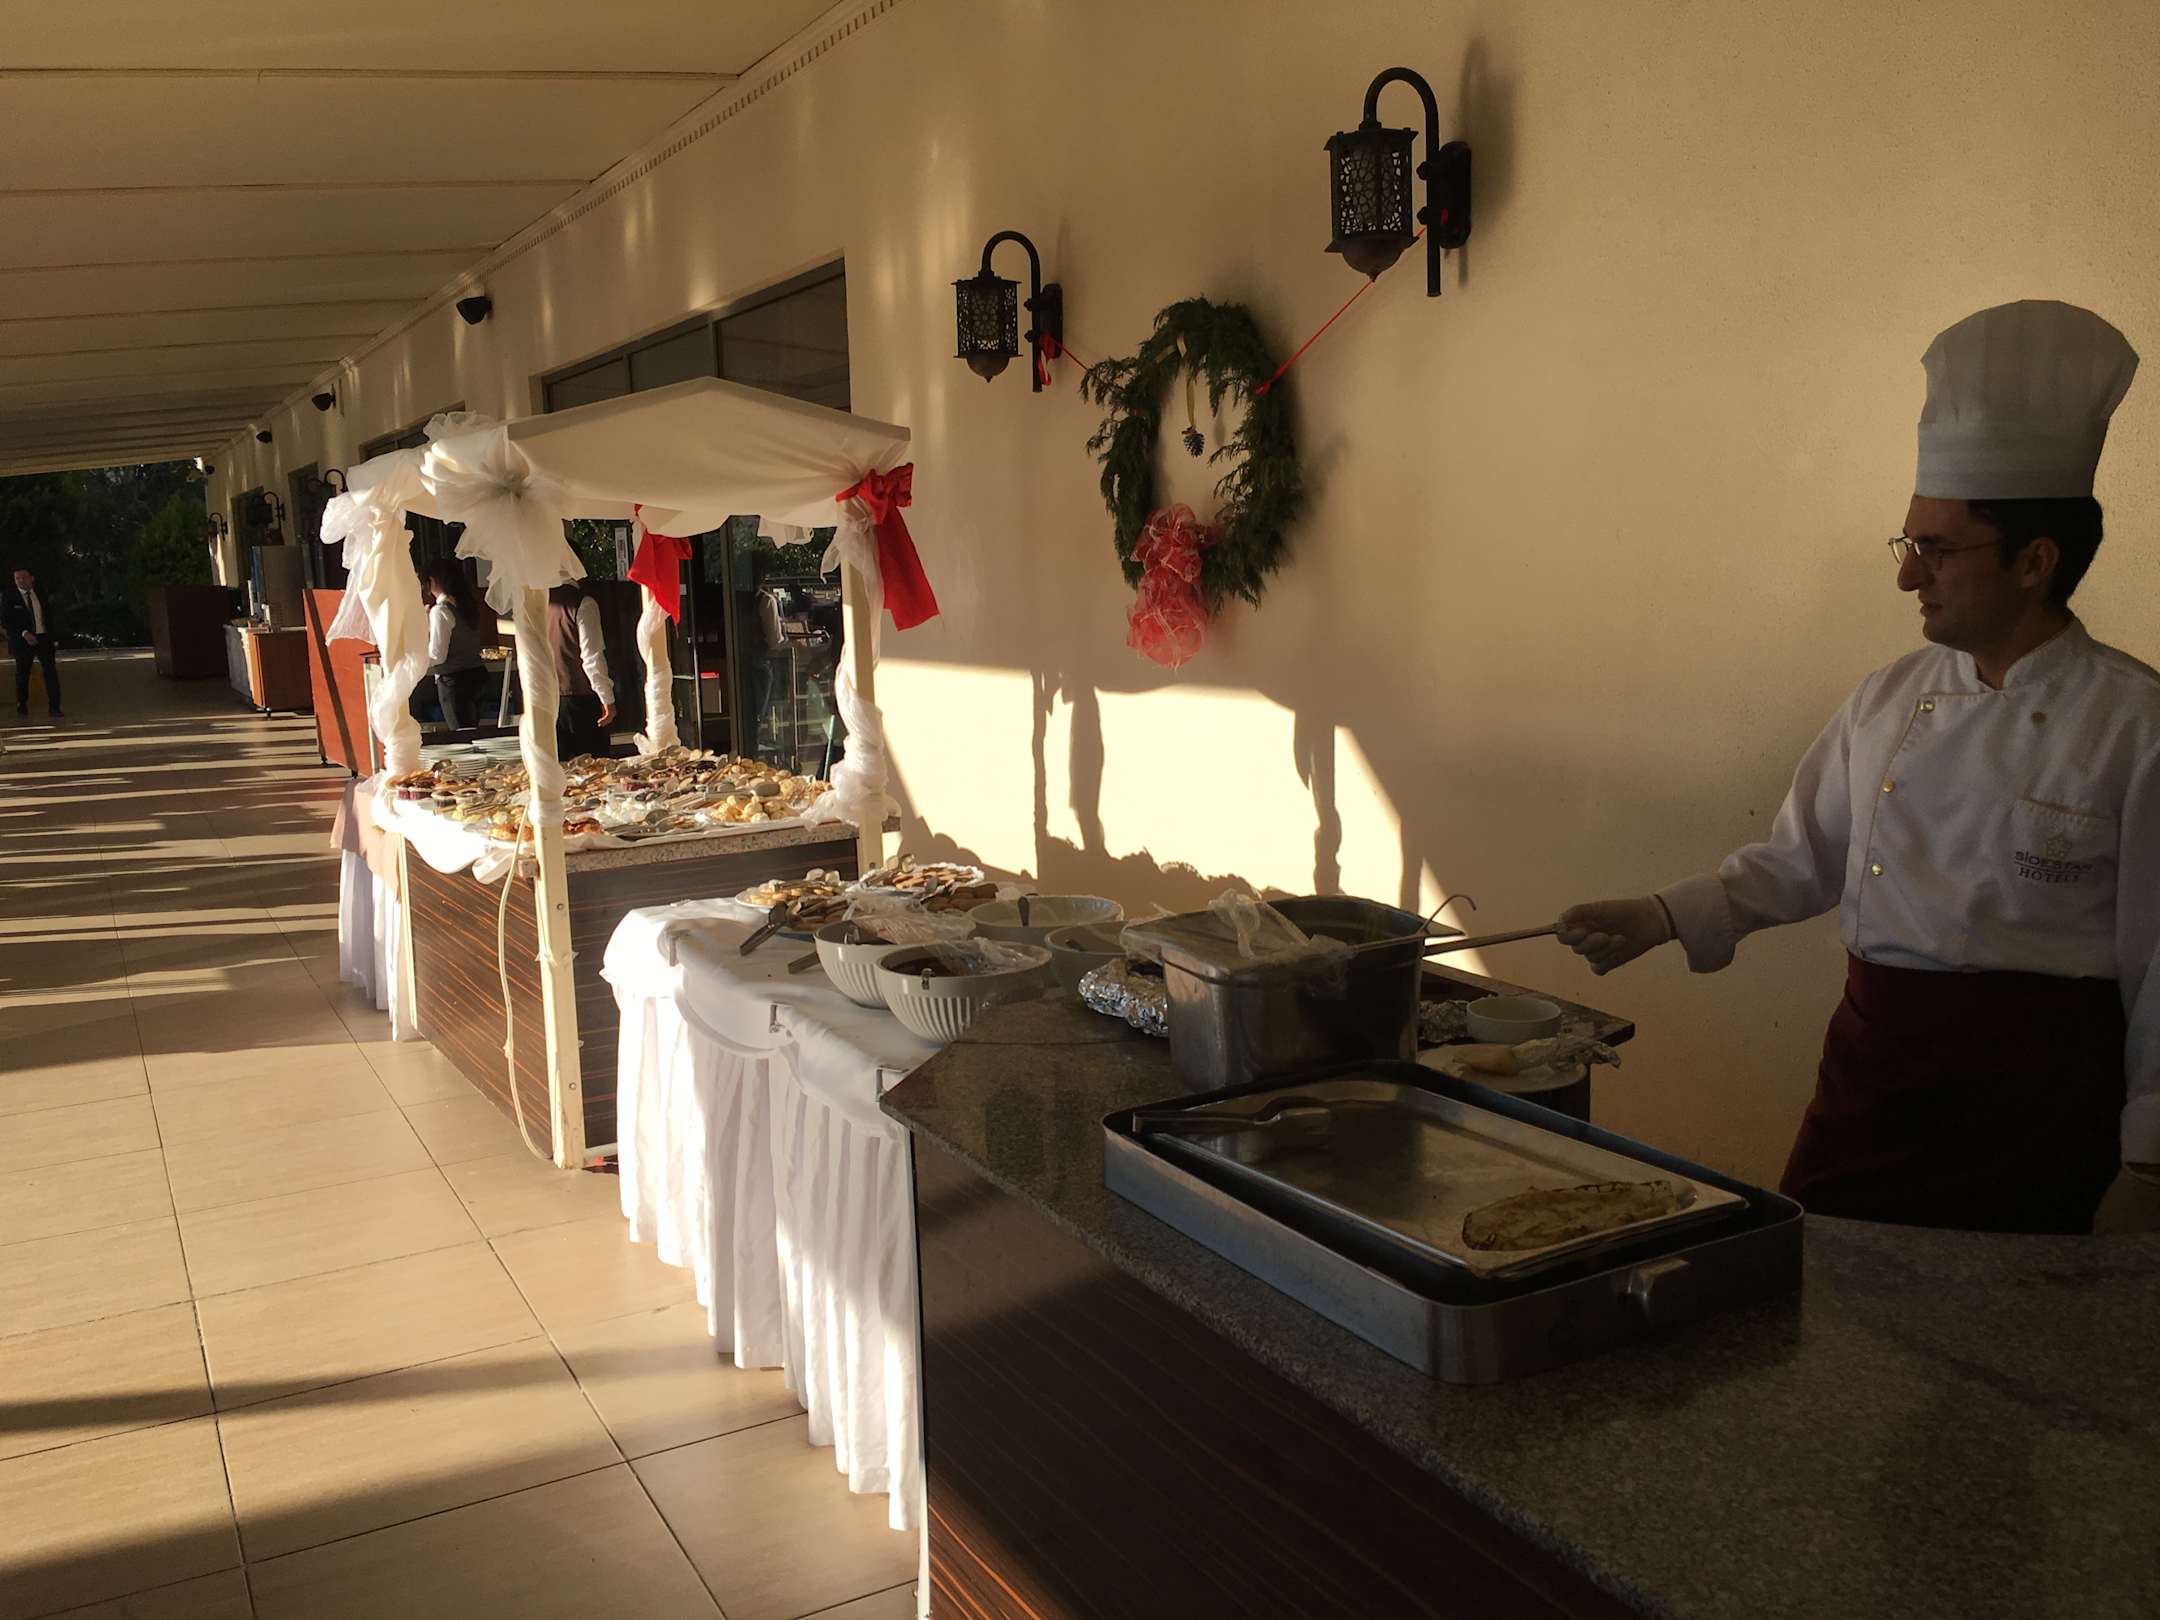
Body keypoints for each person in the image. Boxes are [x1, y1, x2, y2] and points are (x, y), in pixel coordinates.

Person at [1558, 300, 2159, 1236]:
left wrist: (2150, 1162)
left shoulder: (2135, 724)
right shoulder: (1887, 699)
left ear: (2034, 561)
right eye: (1909, 544)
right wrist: (1661, 916)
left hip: (2041, 1120)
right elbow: (1801, 858)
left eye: (1936, 550)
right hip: (1870, 1092)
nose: (1908, 576)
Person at [547, 578, 615, 758]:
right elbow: (592, 657)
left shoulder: (541, 603)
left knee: (561, 767)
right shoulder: (583, 603)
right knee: (593, 768)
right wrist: (607, 698)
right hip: (581, 700)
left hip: (549, 700)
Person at [420, 560, 490, 730]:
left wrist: (414, 663)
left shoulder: (440, 611)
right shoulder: (466, 606)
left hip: (455, 681)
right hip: (477, 674)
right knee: (472, 733)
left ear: (433, 581)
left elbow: (437, 655)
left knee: (461, 735)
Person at [4, 566, 62, 719]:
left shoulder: (40, 593)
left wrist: (54, 638)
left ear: (31, 578)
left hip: (43, 637)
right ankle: (22, 705)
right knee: (23, 674)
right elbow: (6, 621)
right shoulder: (9, 596)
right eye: (17, 578)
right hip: (23, 640)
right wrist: (24, 633)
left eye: (24, 577)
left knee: (50, 672)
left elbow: (49, 616)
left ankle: (55, 707)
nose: (21, 581)